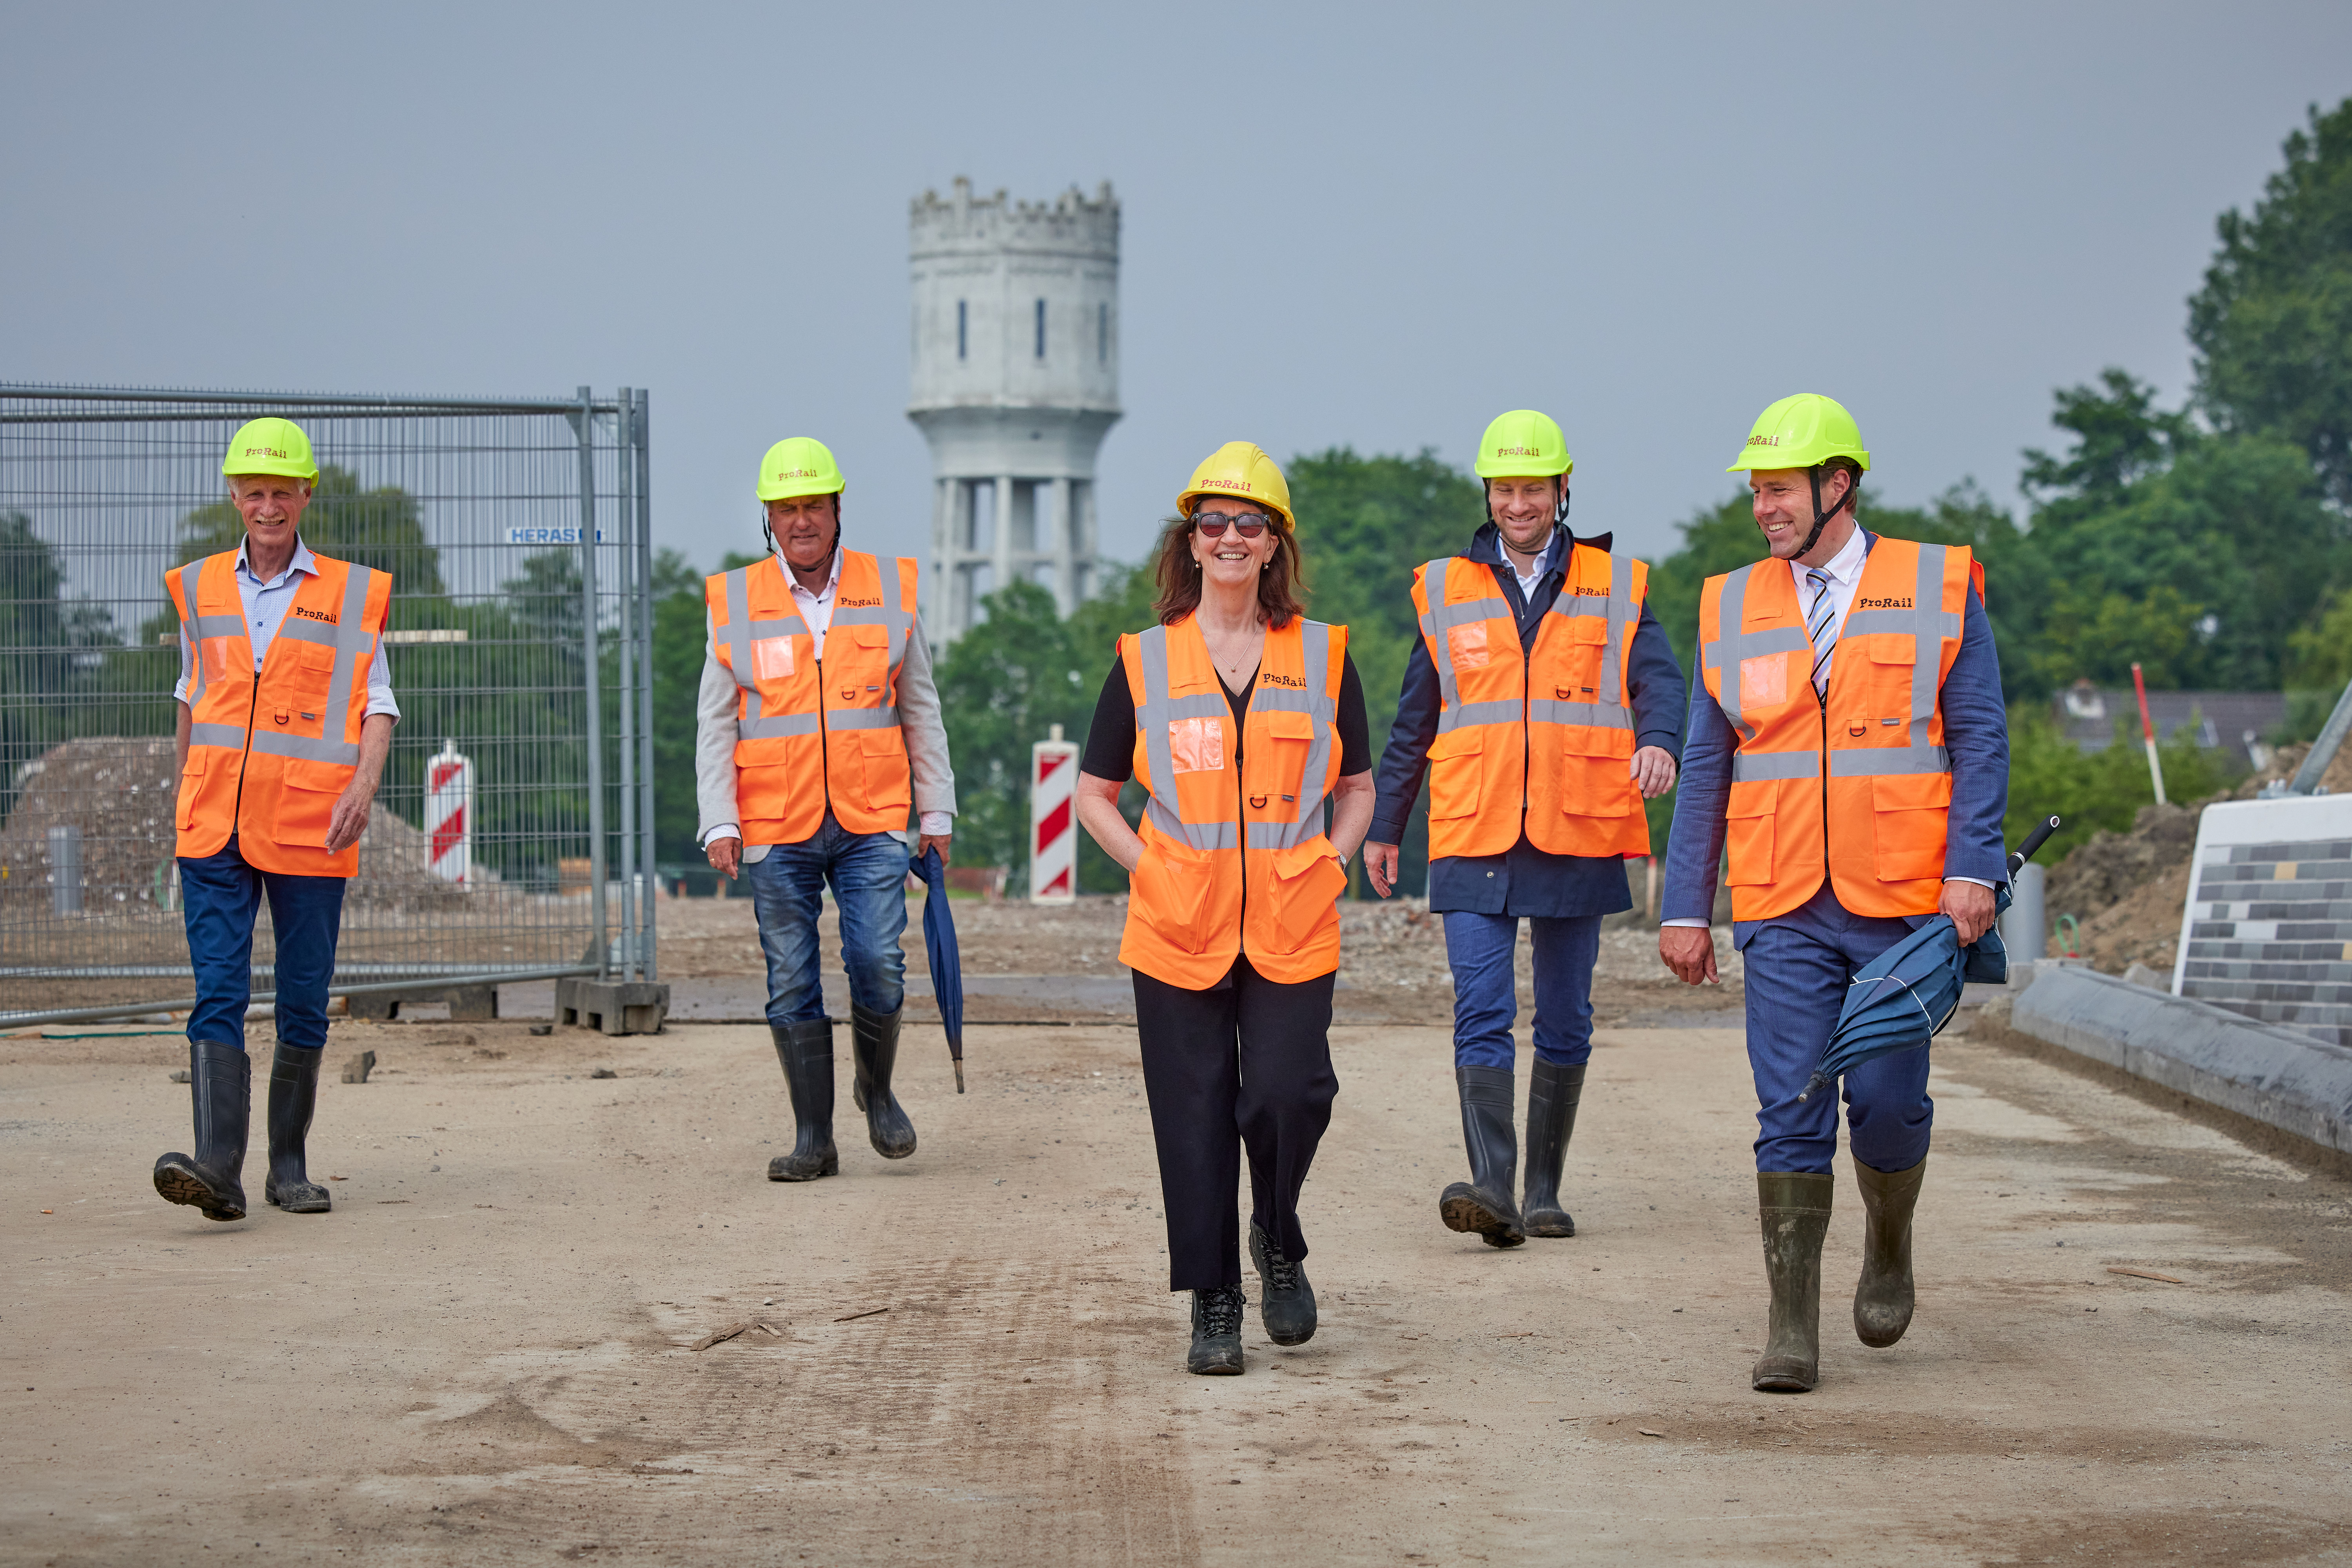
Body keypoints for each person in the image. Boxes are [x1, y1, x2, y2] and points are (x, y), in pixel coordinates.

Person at [1658, 394, 2007, 1393]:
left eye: (1778, 489)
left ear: (1836, 485)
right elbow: (1708, 758)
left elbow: (1980, 736)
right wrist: (1688, 905)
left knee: (1890, 1106)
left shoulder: (1940, 586)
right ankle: (1790, 1323)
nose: (1763, 507)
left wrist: (1972, 868)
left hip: (1902, 902)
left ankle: (1889, 1239)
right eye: (1758, 490)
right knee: (1791, 1104)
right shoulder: (1730, 602)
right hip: (1780, 898)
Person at [1072, 442, 1376, 1376]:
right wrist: (1149, 864)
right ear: (1191, 543)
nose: (1232, 537)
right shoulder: (1145, 660)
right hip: (1176, 926)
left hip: (1292, 919)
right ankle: (1214, 1298)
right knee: (1193, 1112)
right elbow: (1094, 792)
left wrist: (1330, 859)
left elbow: (1359, 785)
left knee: (1291, 1094)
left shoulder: (1324, 656)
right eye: (1214, 523)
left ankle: (1276, 1235)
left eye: (1252, 523)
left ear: (1276, 543)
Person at [1363, 410, 1684, 1247]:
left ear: (1562, 489)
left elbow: (1660, 683)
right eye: (1505, 489)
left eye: (1533, 488)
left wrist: (1658, 742)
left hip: (1576, 825)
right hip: (1473, 826)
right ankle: (1493, 1185)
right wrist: (1386, 825)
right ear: (1489, 493)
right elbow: (1414, 721)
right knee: (1481, 1006)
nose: (1518, 503)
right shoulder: (1444, 588)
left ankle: (1542, 1187)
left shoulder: (1617, 583)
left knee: (1566, 1015)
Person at [153, 418, 399, 1222]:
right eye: (253, 492)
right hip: (215, 824)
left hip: (309, 824)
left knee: (302, 994)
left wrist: (363, 786)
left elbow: (379, 706)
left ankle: (287, 1166)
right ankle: (217, 1166)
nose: (267, 507)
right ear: (234, 496)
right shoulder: (200, 588)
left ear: (305, 496)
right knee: (216, 990)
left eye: (281, 492)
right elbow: (194, 699)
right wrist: (184, 790)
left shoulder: (351, 594)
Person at [697, 437, 955, 1182]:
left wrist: (935, 812)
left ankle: (877, 1092)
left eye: (813, 506)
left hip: (873, 816)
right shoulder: (735, 601)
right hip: (776, 822)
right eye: (787, 510)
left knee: (877, 958)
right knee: (790, 976)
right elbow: (717, 722)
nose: (801, 521)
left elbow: (922, 708)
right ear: (769, 519)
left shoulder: (891, 589)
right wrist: (720, 817)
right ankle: (814, 1136)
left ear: (838, 509)